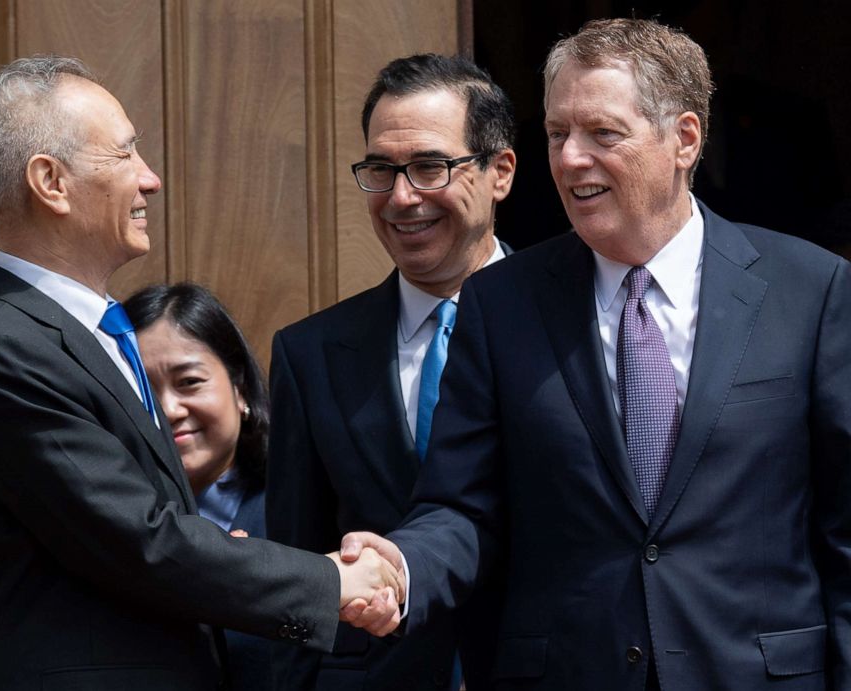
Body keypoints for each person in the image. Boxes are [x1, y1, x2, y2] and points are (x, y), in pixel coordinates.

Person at [342, 18, 851, 691]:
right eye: (557, 134)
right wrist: (402, 569)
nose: (570, 158)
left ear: (684, 139)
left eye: (602, 134)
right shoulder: (500, 304)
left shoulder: (809, 290)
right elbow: (461, 508)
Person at [0, 55, 401, 691]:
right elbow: (142, 542)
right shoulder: (6, 353)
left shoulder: (69, 336)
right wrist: (334, 581)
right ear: (51, 182)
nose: (149, 180)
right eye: (124, 155)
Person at [265, 53, 516, 690]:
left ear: (500, 172)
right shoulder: (311, 353)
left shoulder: (572, 324)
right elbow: (300, 569)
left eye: (430, 167)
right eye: (381, 171)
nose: (403, 197)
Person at [126, 282, 274, 691]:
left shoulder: (300, 508)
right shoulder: (103, 531)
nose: (169, 410)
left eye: (189, 381)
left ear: (239, 390)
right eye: (141, 392)